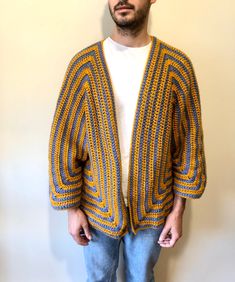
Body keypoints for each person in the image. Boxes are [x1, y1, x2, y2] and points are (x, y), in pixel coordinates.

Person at [48, 0, 207, 281]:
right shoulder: (84, 66)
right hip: (96, 207)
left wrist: (178, 210)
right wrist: (72, 209)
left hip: (154, 206)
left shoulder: (175, 66)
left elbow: (188, 144)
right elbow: (65, 141)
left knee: (142, 278)